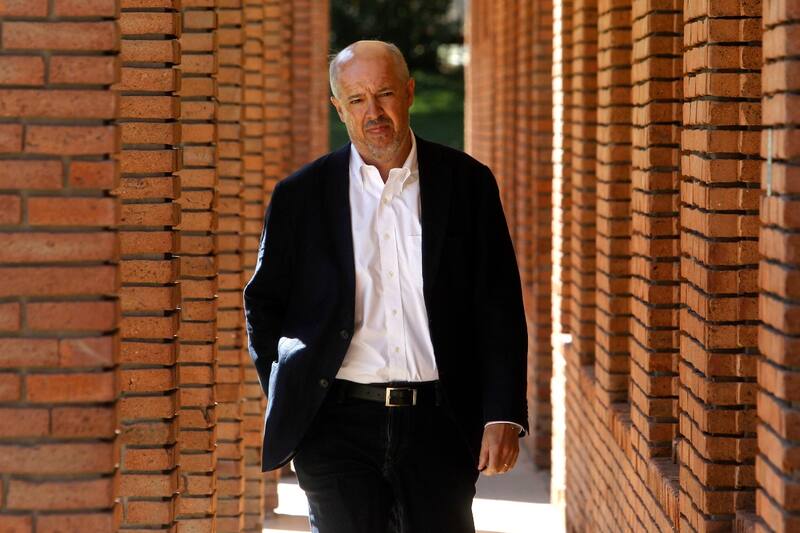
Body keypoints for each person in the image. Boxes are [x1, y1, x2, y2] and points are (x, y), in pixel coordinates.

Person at [244, 40, 528, 533]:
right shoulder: (300, 197)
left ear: (410, 93)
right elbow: (264, 304)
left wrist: (501, 413)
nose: (373, 112)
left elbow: (498, 304)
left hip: (440, 423)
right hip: (335, 426)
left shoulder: (468, 184)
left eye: (385, 94)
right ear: (338, 107)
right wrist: (293, 398)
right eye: (356, 100)